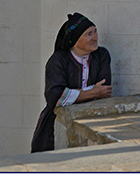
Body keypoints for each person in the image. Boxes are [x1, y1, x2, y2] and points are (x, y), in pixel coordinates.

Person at [30, 12, 112, 152]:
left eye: (95, 31)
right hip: (55, 125)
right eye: (88, 34)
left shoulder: (101, 55)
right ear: (75, 40)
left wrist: (71, 94)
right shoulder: (58, 61)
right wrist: (93, 91)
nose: (95, 37)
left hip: (94, 121)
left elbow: (104, 90)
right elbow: (54, 97)